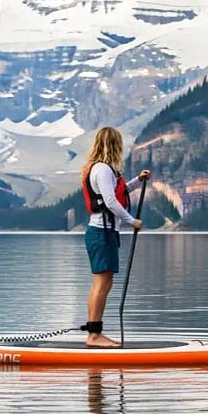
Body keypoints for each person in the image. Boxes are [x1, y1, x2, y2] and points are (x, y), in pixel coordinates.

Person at [81, 127, 150, 348]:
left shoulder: (104, 170)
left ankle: (94, 332)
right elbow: (111, 202)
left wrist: (137, 181)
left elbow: (116, 193)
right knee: (101, 284)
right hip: (102, 233)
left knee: (102, 283)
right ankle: (94, 335)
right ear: (113, 145)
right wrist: (132, 221)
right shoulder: (102, 170)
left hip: (103, 232)